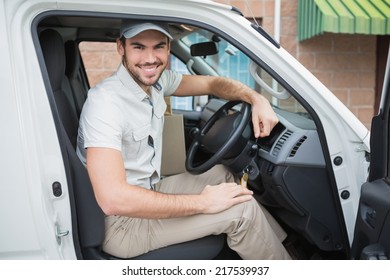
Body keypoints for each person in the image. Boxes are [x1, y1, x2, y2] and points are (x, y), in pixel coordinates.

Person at [76, 20, 291, 260]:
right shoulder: (105, 103)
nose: (149, 58)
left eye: (158, 47)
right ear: (121, 47)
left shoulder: (158, 82)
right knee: (242, 210)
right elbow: (113, 199)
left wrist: (256, 99)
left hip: (145, 189)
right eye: (138, 47)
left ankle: (284, 248)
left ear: (168, 49)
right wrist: (203, 203)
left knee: (223, 175)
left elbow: (212, 83)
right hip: (120, 225)